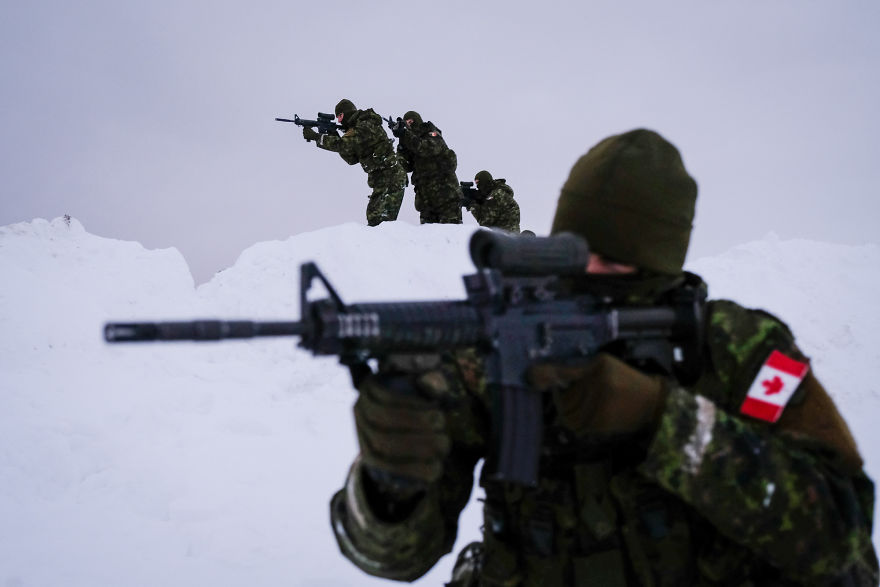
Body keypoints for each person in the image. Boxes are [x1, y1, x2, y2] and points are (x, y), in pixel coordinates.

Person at [328, 129, 879, 586]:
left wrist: (664, 419)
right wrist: (388, 486)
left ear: (660, 264)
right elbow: (392, 558)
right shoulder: (501, 346)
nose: (586, 278)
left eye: (612, 264)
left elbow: (843, 539)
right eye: (574, 255)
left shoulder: (739, 349)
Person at [302, 99, 406, 226]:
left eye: (340, 116)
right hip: (382, 181)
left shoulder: (366, 125)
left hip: (392, 179)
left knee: (381, 222)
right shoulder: (356, 129)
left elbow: (344, 145)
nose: (339, 121)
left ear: (347, 113)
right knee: (373, 217)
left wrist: (317, 137)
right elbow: (351, 159)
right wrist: (333, 133)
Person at [394, 110, 463, 224]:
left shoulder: (431, 133)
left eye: (411, 121)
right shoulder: (409, 141)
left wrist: (405, 134)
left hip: (446, 196)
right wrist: (401, 145)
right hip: (426, 201)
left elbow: (426, 149)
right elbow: (405, 165)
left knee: (450, 234)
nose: (409, 124)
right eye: (406, 123)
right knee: (428, 237)